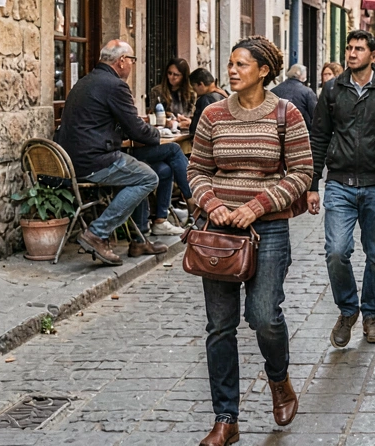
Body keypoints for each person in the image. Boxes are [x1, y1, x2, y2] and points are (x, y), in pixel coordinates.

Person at [188, 36, 313, 446]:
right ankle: (226, 419)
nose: (232, 70)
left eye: (241, 64)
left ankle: (279, 379)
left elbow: (302, 172)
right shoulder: (212, 114)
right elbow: (197, 169)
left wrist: (257, 206)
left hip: (268, 229)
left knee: (263, 316)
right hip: (218, 232)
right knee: (219, 326)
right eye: (230, 63)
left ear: (263, 71)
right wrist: (212, 204)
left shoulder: (286, 114)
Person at [308, 30, 375, 348]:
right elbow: (319, 137)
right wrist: (312, 184)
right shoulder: (332, 90)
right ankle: (348, 310)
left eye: (359, 49)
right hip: (339, 183)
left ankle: (371, 315)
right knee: (336, 251)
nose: (351, 54)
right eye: (349, 48)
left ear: (373, 55)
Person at [55, 40, 170, 265]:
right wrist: (158, 134)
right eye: (132, 60)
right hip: (94, 161)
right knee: (148, 177)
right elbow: (136, 129)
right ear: (122, 61)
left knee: (138, 170)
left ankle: (139, 240)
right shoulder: (115, 85)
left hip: (71, 160)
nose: (132, 65)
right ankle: (97, 233)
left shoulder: (85, 81)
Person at [150, 57, 196, 129]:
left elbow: (193, 116)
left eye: (176, 75)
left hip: (185, 129)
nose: (172, 77)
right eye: (169, 73)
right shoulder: (157, 91)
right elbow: (152, 114)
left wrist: (186, 120)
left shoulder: (191, 94)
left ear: (183, 76)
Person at [272, 64, 318, 133]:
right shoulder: (307, 92)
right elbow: (315, 114)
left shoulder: (275, 90)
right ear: (302, 76)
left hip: (278, 130)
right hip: (301, 130)